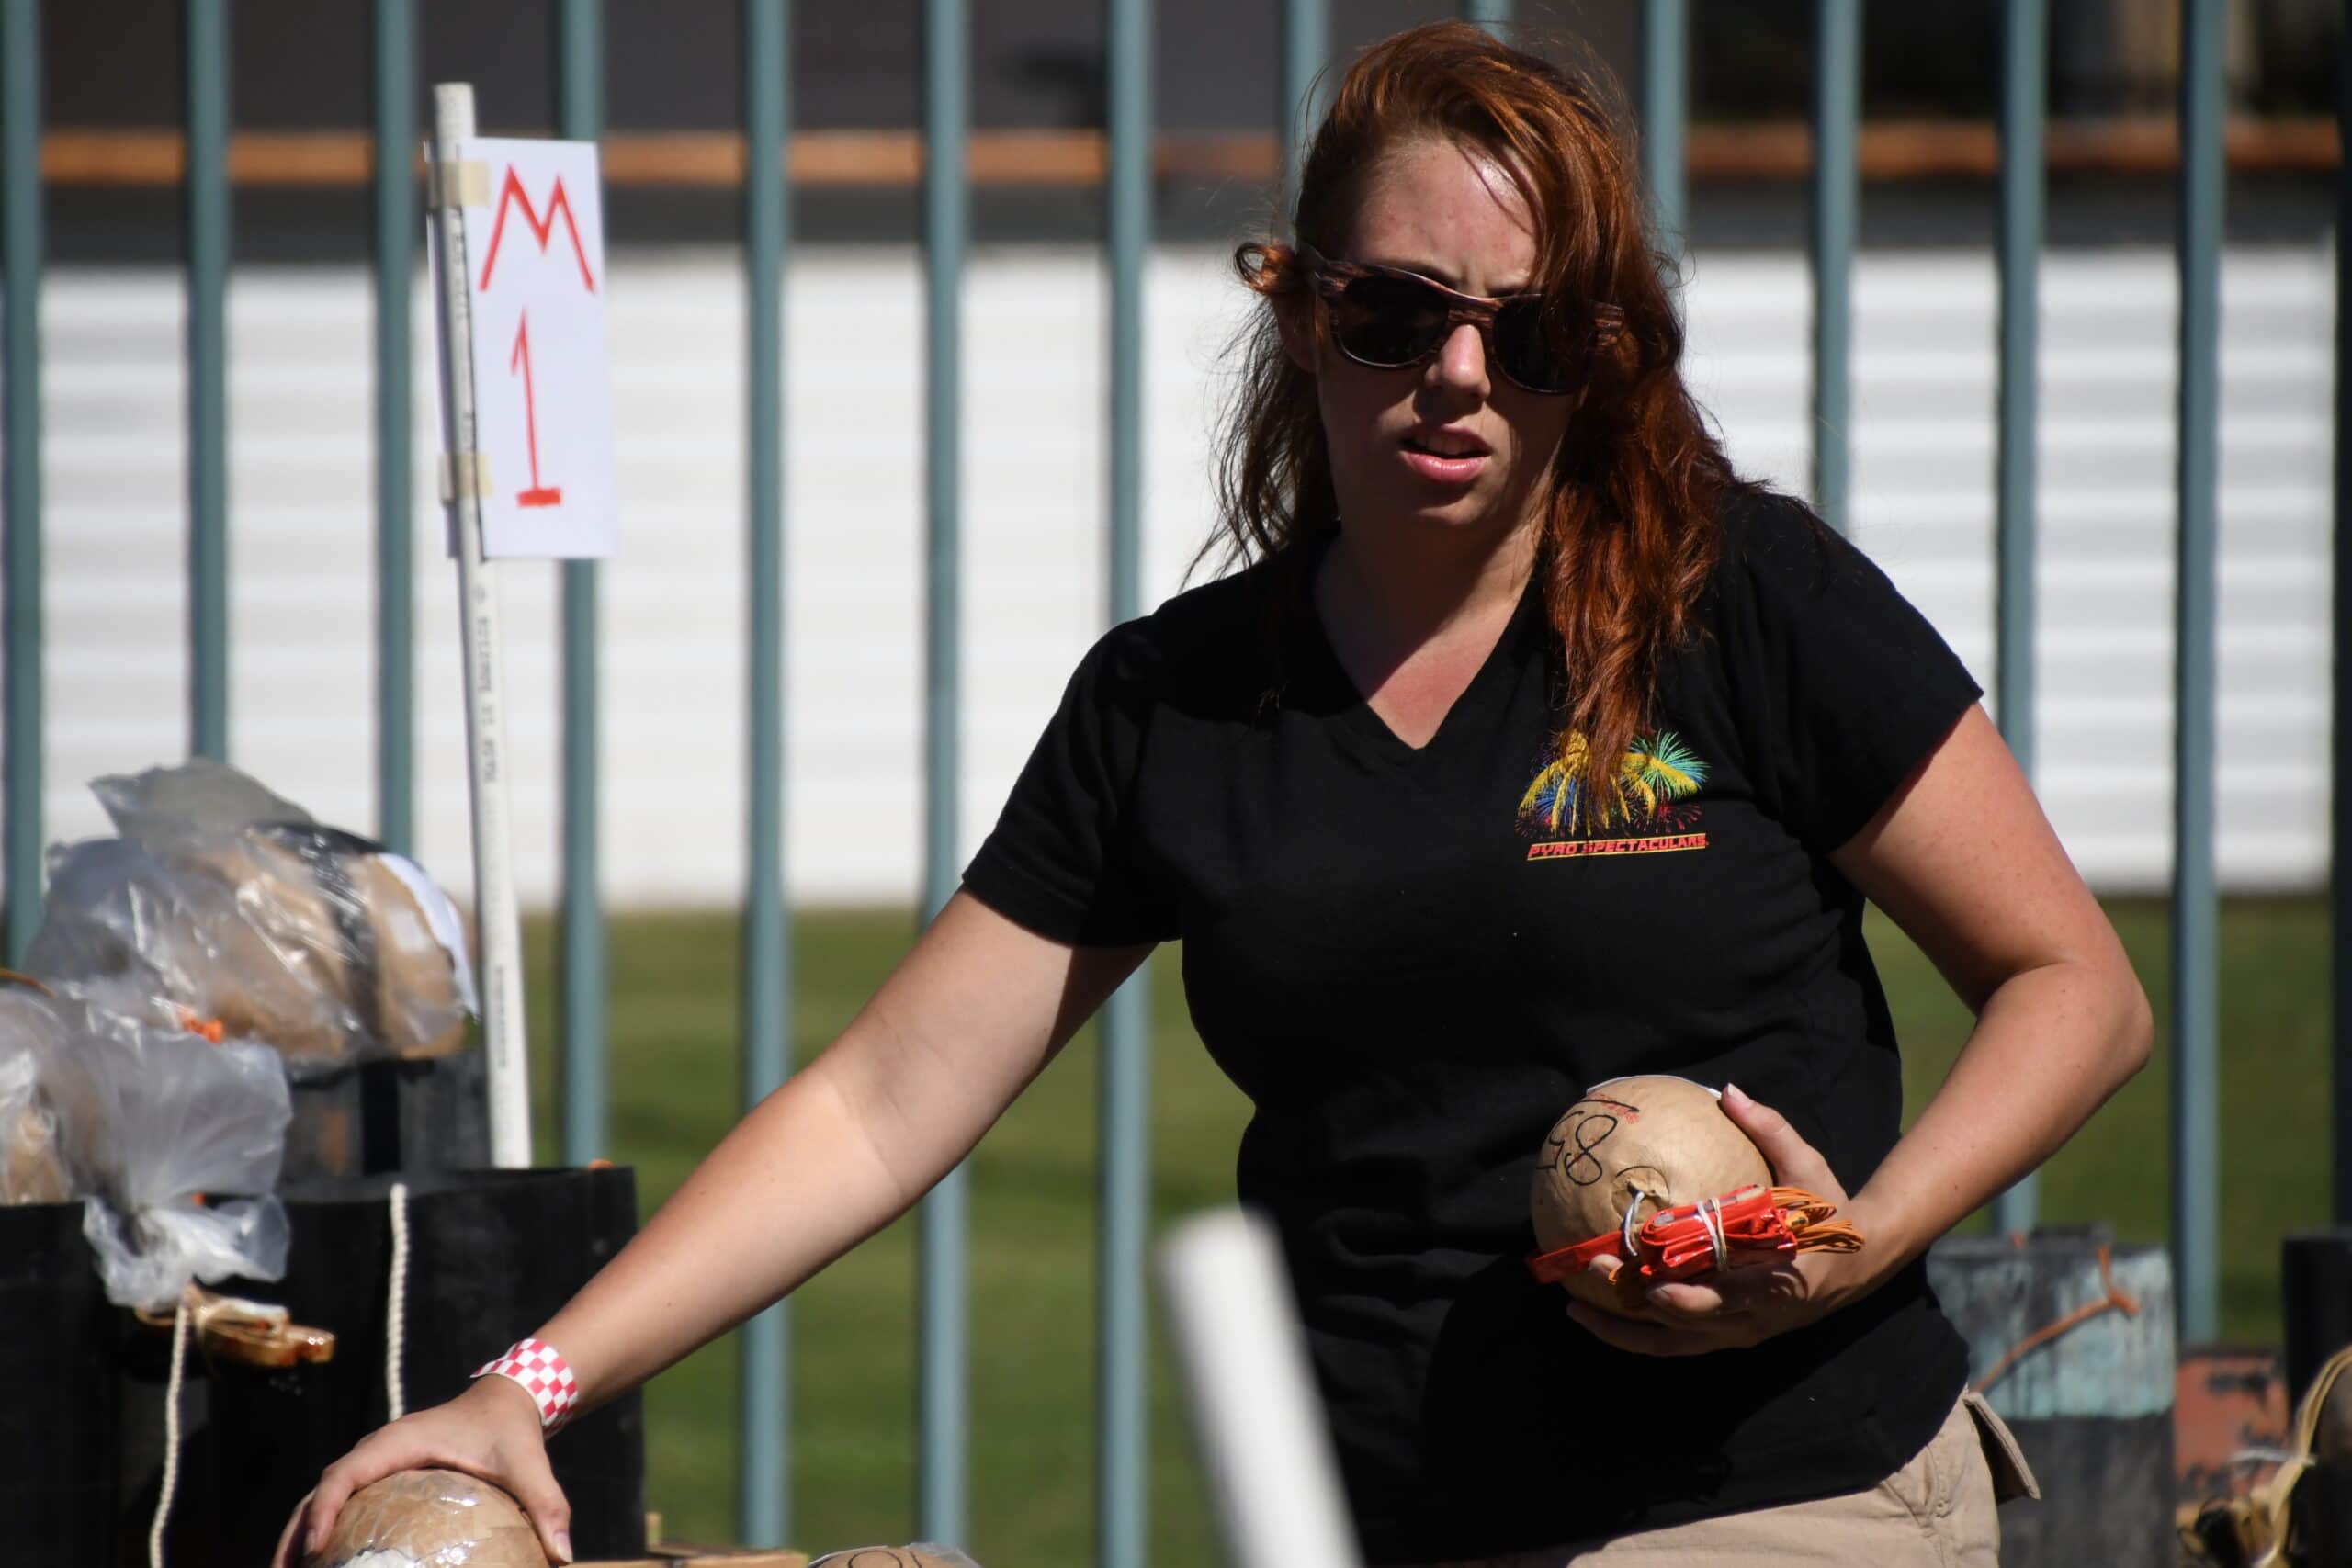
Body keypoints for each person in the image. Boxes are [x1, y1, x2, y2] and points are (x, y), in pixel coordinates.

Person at [276, 21, 2152, 1568]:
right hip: (1375, 1516)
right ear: (1295, 306)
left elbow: (2073, 982)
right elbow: (879, 1096)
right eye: (1394, 313)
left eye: (1534, 328)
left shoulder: (1740, 601)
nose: (1460, 375)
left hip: (1780, 1484)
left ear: (1603, 355)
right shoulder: (1178, 701)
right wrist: (517, 1385)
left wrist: (1858, 1241)